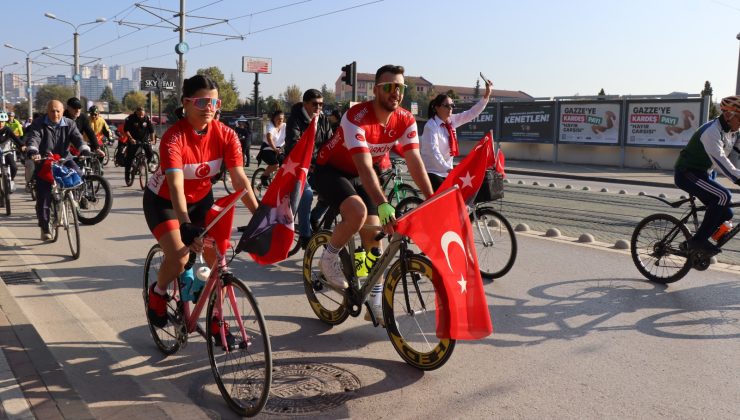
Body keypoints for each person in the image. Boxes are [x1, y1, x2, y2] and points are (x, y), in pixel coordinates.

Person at [313, 64, 434, 324]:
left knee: (374, 237)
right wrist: (382, 202)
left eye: (400, 87)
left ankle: (373, 300)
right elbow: (364, 166)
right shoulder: (356, 117)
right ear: (376, 90)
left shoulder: (405, 119)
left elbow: (414, 161)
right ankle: (329, 257)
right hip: (332, 170)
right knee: (357, 213)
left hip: (364, 172)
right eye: (389, 87)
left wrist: (432, 197)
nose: (396, 92)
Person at [144, 74, 259, 344]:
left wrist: (261, 215)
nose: (209, 107)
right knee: (181, 256)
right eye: (202, 101)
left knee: (217, 259)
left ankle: (218, 318)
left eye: (214, 102)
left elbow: (240, 180)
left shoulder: (226, 134)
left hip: (201, 199)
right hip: (164, 202)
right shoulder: (173, 138)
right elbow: (174, 185)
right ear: (186, 103)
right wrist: (184, 224)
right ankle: (158, 292)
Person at [674, 95, 740, 255]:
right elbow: (721, 160)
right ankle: (698, 242)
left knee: (727, 213)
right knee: (723, 196)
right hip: (687, 172)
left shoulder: (733, 132)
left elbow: (737, 155)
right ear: (728, 115)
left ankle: (690, 245)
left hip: (705, 174)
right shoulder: (711, 132)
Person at [25, 100, 90, 240]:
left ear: (63, 111)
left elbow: (78, 138)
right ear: (47, 111)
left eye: (58, 111)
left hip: (64, 158)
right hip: (44, 160)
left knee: (79, 174)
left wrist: (83, 149)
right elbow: (33, 138)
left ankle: (75, 199)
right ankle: (44, 226)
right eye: (52, 111)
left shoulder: (69, 123)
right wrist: (33, 151)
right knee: (43, 195)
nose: (55, 114)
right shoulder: (39, 123)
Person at [420, 78, 492, 191]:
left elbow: (472, 113)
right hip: (432, 171)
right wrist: (448, 169)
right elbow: (434, 152)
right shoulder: (431, 126)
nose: (450, 109)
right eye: (447, 106)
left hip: (447, 171)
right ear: (437, 107)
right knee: (443, 201)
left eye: (452, 106)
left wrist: (486, 95)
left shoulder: (451, 121)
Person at [284, 89, 334, 248]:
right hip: (299, 166)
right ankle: (305, 234)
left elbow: (330, 143)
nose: (319, 107)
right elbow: (294, 145)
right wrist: (309, 164)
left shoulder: (324, 120)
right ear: (305, 104)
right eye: (315, 104)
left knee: (335, 189)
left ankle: (315, 217)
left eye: (321, 104)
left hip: (318, 166)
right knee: (305, 195)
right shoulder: (295, 120)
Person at [123, 106, 155, 181]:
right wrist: (131, 138)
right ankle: (127, 175)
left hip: (144, 140)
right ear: (136, 112)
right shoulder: (131, 118)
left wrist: (152, 140)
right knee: (130, 157)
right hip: (133, 140)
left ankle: (145, 165)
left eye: (142, 115)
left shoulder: (147, 118)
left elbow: (151, 131)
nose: (141, 116)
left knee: (150, 153)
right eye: (139, 115)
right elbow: (126, 130)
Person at [257, 110, 286, 186]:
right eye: (278, 119)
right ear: (273, 118)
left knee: (287, 164)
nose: (280, 120)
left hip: (279, 150)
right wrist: (274, 148)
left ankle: (278, 179)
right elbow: (269, 138)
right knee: (275, 164)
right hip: (267, 150)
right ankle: (264, 177)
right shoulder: (270, 126)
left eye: (282, 119)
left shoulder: (285, 126)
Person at [0, 111, 25, 192]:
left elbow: (15, 138)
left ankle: (11, 180)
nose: (1, 123)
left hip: (7, 152)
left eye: (2, 121)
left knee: (14, 167)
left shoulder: (7, 129)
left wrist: (22, 145)